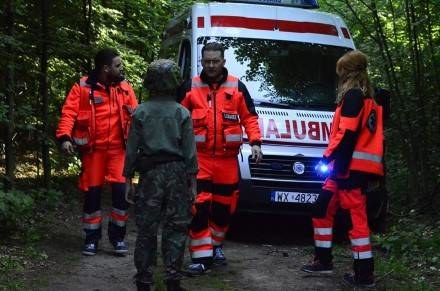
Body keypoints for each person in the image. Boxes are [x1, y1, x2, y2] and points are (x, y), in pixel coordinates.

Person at [300, 50, 384, 288]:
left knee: (355, 221)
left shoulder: (354, 97)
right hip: (346, 167)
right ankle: (324, 260)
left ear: (347, 73)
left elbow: (346, 133)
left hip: (348, 168)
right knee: (321, 208)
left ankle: (363, 275)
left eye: (341, 73)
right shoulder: (366, 97)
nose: (339, 77)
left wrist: (328, 158)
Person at [179, 42, 263, 274]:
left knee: (224, 210)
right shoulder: (191, 87)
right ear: (202, 62)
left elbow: (250, 118)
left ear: (223, 61)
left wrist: (255, 143)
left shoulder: (237, 87)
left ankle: (215, 246)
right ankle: (200, 256)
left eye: (216, 61)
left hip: (227, 162)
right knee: (199, 208)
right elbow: (177, 117)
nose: (212, 65)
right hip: (200, 160)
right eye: (207, 61)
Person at [123, 59, 198, 291]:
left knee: (146, 229)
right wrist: (192, 183)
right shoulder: (182, 112)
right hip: (177, 174)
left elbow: (132, 148)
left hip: (150, 174)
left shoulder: (141, 112)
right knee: (176, 228)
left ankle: (144, 281)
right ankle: (172, 280)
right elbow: (190, 152)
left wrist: (128, 180)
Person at [56, 48, 138, 256]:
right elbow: (68, 113)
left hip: (119, 151)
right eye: (118, 65)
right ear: (105, 68)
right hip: (93, 151)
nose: (121, 69)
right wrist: (65, 137)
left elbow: (138, 116)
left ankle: (118, 238)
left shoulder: (125, 88)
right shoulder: (83, 87)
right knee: (92, 195)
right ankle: (91, 239)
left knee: (121, 194)